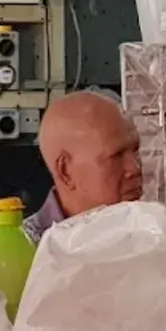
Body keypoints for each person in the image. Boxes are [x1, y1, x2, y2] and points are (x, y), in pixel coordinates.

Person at [24, 91, 142, 244]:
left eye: (135, 150)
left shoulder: (155, 237)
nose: (135, 168)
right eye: (117, 155)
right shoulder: (25, 257)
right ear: (65, 171)